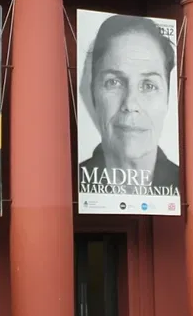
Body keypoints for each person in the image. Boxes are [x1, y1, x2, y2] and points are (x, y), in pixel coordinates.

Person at [77, 14, 179, 194]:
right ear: (93, 93)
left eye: (149, 85)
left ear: (167, 98)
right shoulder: (68, 182)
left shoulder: (189, 185)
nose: (130, 104)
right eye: (113, 82)